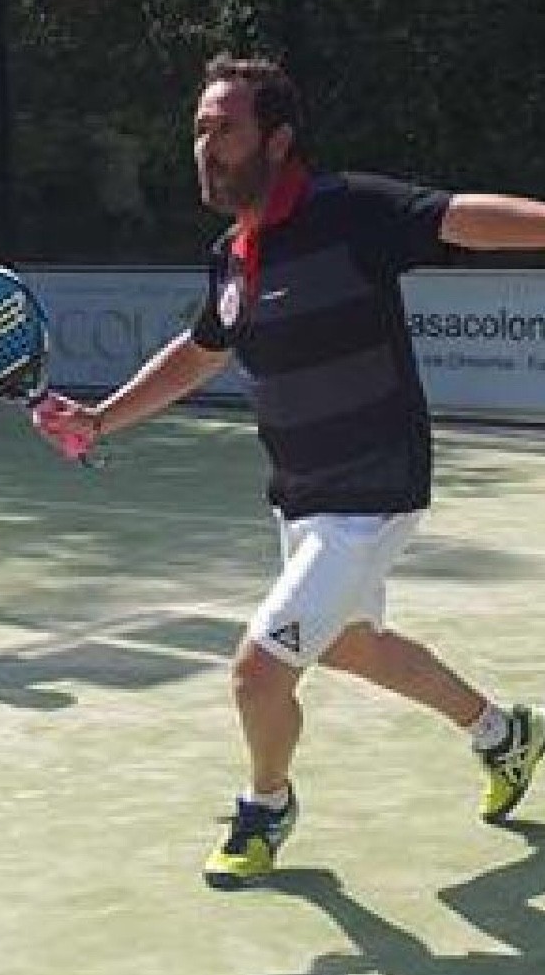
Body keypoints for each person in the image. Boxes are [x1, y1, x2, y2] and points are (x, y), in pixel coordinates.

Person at [37, 54, 545, 889]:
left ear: (276, 140)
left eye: (225, 128)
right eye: (200, 128)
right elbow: (202, 350)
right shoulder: (233, 253)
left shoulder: (348, 210)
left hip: (374, 491)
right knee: (352, 646)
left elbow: (460, 218)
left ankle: (266, 805)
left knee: (258, 672)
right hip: (304, 498)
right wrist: (98, 417)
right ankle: (504, 734)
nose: (206, 144)